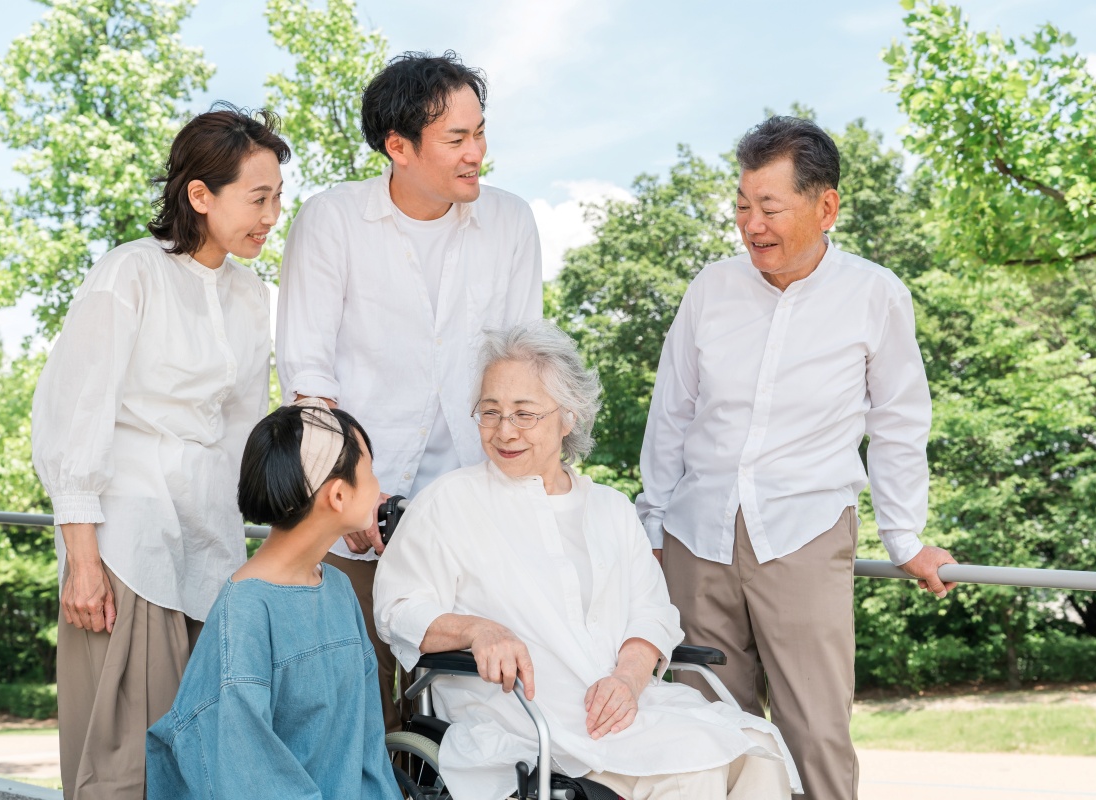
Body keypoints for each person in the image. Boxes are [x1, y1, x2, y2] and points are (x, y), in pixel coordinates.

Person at [635, 115, 958, 800]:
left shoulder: (875, 294)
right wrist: (652, 521)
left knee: (815, 734)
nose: (752, 224)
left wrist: (904, 536)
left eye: (770, 207)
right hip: (697, 534)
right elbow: (673, 412)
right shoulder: (710, 290)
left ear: (826, 205)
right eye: (743, 206)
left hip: (806, 531)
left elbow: (900, 421)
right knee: (704, 726)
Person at [374, 322, 801, 800]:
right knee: (692, 769)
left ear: (568, 417)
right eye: (490, 412)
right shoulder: (448, 502)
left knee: (757, 753)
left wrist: (628, 677)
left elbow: (652, 613)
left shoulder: (611, 509)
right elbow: (398, 611)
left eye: (524, 414)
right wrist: (477, 630)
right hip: (522, 714)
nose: (504, 431)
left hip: (620, 701)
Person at [276, 50, 542, 733]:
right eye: (456, 139)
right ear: (398, 147)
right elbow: (309, 378)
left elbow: (520, 366)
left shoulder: (510, 224)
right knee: (354, 712)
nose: (476, 153)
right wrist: (355, 498)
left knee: (461, 717)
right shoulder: (331, 220)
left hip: (466, 517)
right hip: (350, 522)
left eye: (480, 132)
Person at [31, 104, 288, 800]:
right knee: (122, 764)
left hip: (208, 545)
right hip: (127, 546)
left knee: (197, 760)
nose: (271, 215)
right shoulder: (130, 273)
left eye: (278, 198)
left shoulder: (248, 294)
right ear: (200, 196)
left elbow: (241, 432)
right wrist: (82, 559)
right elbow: (75, 415)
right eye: (257, 197)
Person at [146, 400, 402, 799]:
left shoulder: (336, 588)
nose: (377, 485)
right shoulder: (245, 612)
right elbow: (248, 775)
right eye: (369, 471)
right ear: (337, 495)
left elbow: (367, 744)